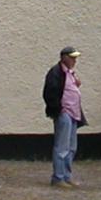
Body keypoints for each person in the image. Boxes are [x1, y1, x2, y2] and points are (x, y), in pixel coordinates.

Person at [42, 45, 85, 188]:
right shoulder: (56, 72)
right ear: (64, 57)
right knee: (62, 147)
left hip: (73, 113)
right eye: (72, 58)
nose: (74, 61)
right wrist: (59, 109)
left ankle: (67, 175)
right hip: (65, 112)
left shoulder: (69, 73)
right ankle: (58, 177)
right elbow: (49, 93)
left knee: (71, 147)